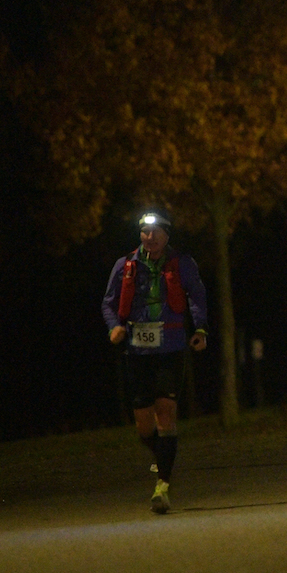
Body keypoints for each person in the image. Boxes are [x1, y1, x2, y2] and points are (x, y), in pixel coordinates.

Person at [101, 209, 209, 513]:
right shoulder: (125, 266)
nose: (150, 238)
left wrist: (199, 329)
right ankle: (162, 455)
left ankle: (162, 486)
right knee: (144, 425)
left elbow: (197, 295)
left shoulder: (182, 264)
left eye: (156, 232)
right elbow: (109, 302)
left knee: (166, 412)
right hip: (137, 351)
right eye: (145, 233)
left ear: (167, 235)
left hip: (171, 348)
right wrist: (114, 328)